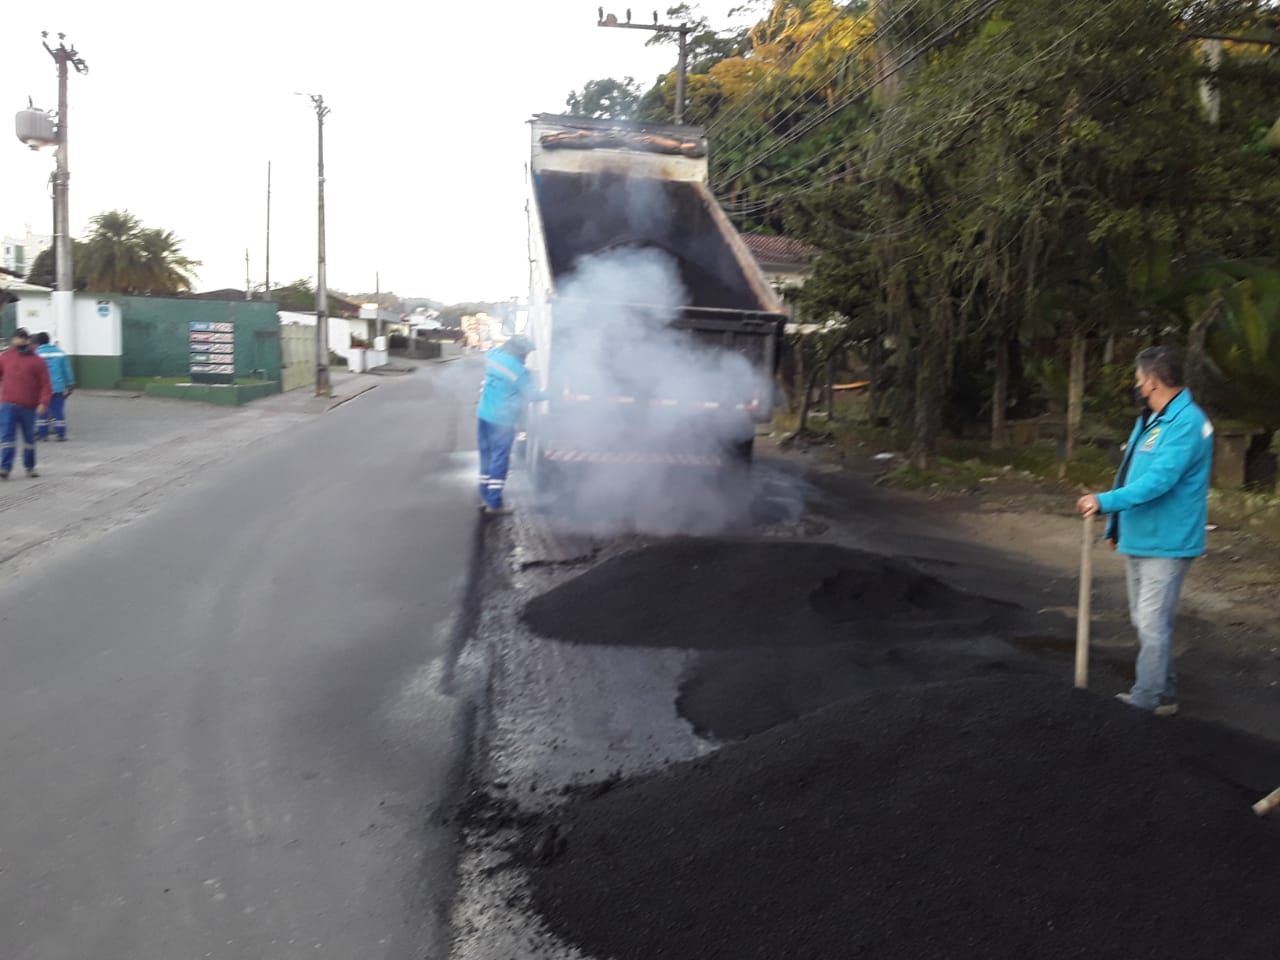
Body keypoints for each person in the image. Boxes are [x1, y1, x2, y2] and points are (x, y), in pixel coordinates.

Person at [1076, 346, 1213, 717]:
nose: (1136, 385)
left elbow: (1159, 481)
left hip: (1167, 541)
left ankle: (1145, 700)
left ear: (1152, 381)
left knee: (1152, 622)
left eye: (1138, 379)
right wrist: (1115, 524)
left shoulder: (1187, 423)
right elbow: (1130, 473)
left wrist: (1105, 502)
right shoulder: (1151, 418)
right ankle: (1164, 694)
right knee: (1144, 620)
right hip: (1141, 535)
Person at [477, 335, 544, 515]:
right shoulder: (518, 370)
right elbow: (531, 395)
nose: (527, 357)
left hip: (483, 415)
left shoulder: (492, 356)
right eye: (526, 353)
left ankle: (485, 496)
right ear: (519, 352)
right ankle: (495, 503)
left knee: (487, 457)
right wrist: (551, 395)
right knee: (500, 459)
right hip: (502, 421)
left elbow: (495, 350)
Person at [0, 327, 52, 480]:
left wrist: (43, 402)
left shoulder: (37, 361)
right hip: (8, 405)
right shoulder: (5, 357)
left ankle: (30, 467)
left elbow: (45, 384)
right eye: (18, 337)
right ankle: (5, 467)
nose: (21, 340)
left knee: (29, 439)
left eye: (23, 338)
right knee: (7, 438)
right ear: (13, 340)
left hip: (29, 406)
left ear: (28, 340)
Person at [33, 332, 75, 441]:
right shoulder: (60, 353)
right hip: (57, 387)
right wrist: (70, 384)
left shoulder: (35, 354)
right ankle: (61, 435)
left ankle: (42, 435)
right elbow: (67, 370)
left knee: (42, 410)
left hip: (41, 388)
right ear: (49, 340)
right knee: (58, 410)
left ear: (37, 342)